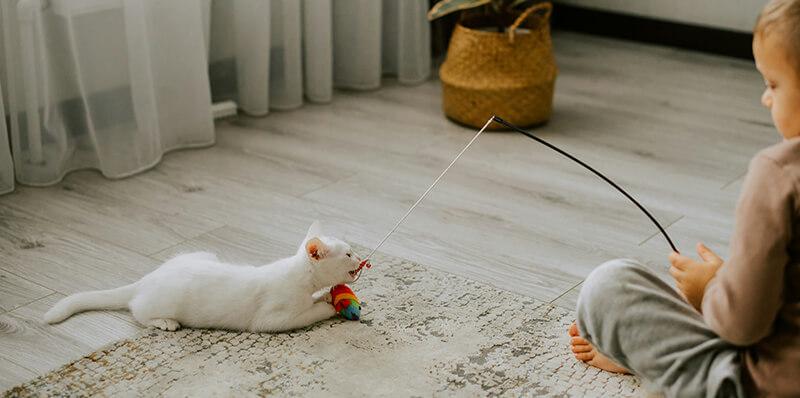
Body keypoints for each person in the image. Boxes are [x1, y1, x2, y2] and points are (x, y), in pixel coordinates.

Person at [567, 0, 800, 396]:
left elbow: (744, 327)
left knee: (608, 286)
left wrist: (711, 289)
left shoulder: (778, 174)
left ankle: (651, 360)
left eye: (773, 84)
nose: (766, 98)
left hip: (763, 386)